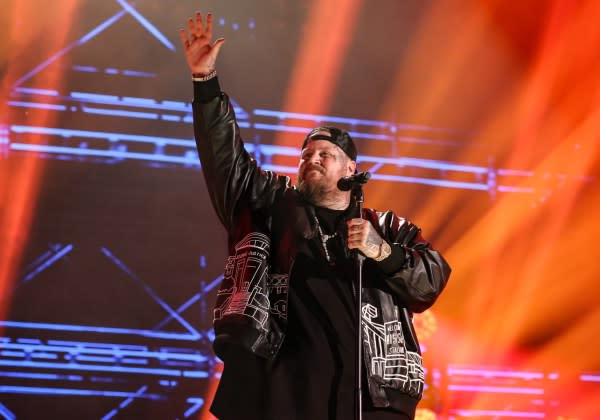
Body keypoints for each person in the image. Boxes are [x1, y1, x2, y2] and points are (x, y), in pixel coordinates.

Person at [180, 11, 450, 420]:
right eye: (306, 154)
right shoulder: (268, 208)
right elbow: (225, 162)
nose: (312, 159)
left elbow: (430, 281)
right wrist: (205, 83)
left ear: (351, 171)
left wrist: (381, 252)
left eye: (326, 155)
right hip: (278, 393)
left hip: (368, 400)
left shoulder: (388, 229)